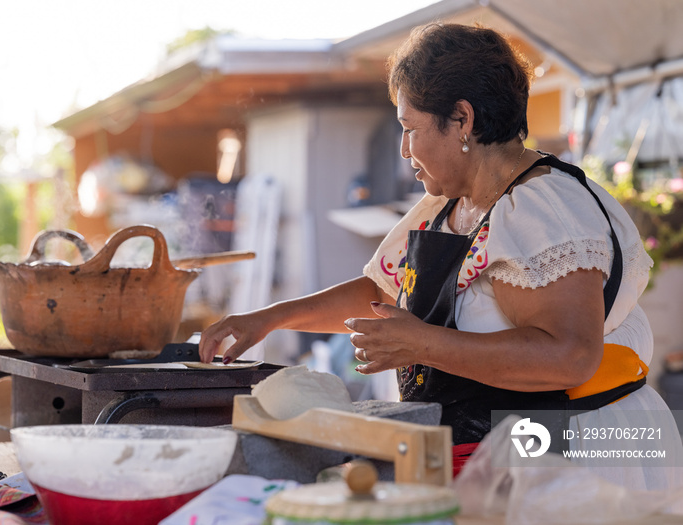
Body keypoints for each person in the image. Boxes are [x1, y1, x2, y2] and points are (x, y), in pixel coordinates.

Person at [200, 23, 683, 491]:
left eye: (410, 129)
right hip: (478, 453)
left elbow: (571, 356)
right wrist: (266, 320)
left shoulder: (544, 211)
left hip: (573, 458)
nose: (406, 150)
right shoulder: (448, 203)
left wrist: (422, 345)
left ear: (462, 120)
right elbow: (383, 292)